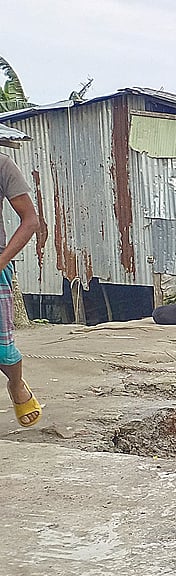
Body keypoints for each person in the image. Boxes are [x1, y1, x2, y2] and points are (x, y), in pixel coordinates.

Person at [0, 154, 43, 427]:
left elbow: (31, 221)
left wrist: (1, 261)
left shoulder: (2, 165)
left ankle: (16, 383)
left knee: (3, 349)